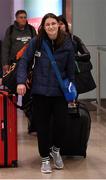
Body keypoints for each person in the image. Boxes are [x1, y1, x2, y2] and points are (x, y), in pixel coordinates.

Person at [16, 13, 75, 173]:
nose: (50, 27)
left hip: (59, 93)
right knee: (42, 128)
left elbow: (70, 71)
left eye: (53, 23)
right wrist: (21, 81)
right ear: (43, 26)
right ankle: (44, 160)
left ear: (59, 25)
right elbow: (23, 61)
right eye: (47, 24)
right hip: (40, 92)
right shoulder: (37, 41)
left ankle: (55, 150)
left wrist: (72, 91)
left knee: (62, 125)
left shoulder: (67, 43)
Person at [58, 15, 96, 94]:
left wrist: (73, 57)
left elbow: (87, 55)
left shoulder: (74, 39)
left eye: (61, 24)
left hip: (73, 74)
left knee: (72, 97)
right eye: (57, 24)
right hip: (58, 74)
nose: (59, 26)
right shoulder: (51, 41)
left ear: (66, 25)